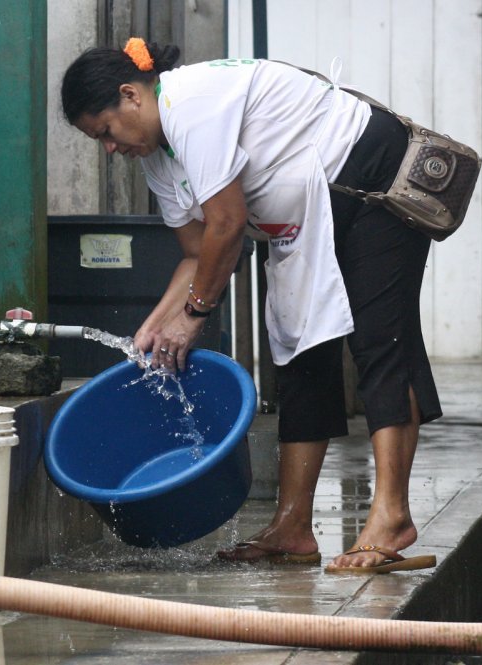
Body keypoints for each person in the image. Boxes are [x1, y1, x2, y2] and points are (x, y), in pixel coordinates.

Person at [60, 38, 442, 573]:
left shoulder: (188, 105)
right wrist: (156, 324)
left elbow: (227, 224)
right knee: (298, 352)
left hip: (370, 173)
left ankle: (392, 516)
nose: (109, 149)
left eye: (104, 132)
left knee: (382, 340)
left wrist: (192, 316)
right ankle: (292, 526)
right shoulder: (159, 160)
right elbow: (196, 254)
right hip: (308, 212)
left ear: (131, 96)